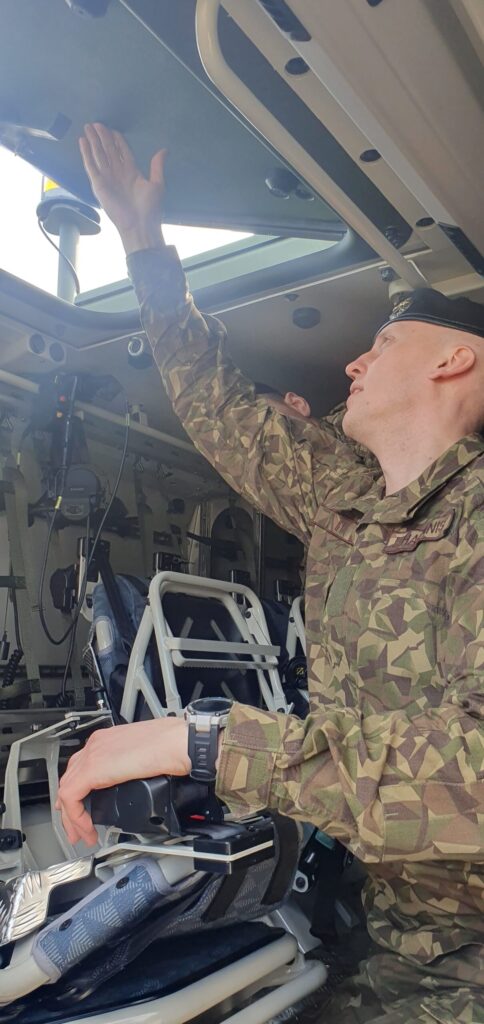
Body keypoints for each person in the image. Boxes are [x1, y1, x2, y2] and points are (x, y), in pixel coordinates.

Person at [56, 125, 484, 1023]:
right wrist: (142, 242)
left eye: (384, 342)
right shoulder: (345, 499)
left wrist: (206, 742)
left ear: (455, 359)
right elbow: (216, 403)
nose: (353, 362)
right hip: (388, 925)